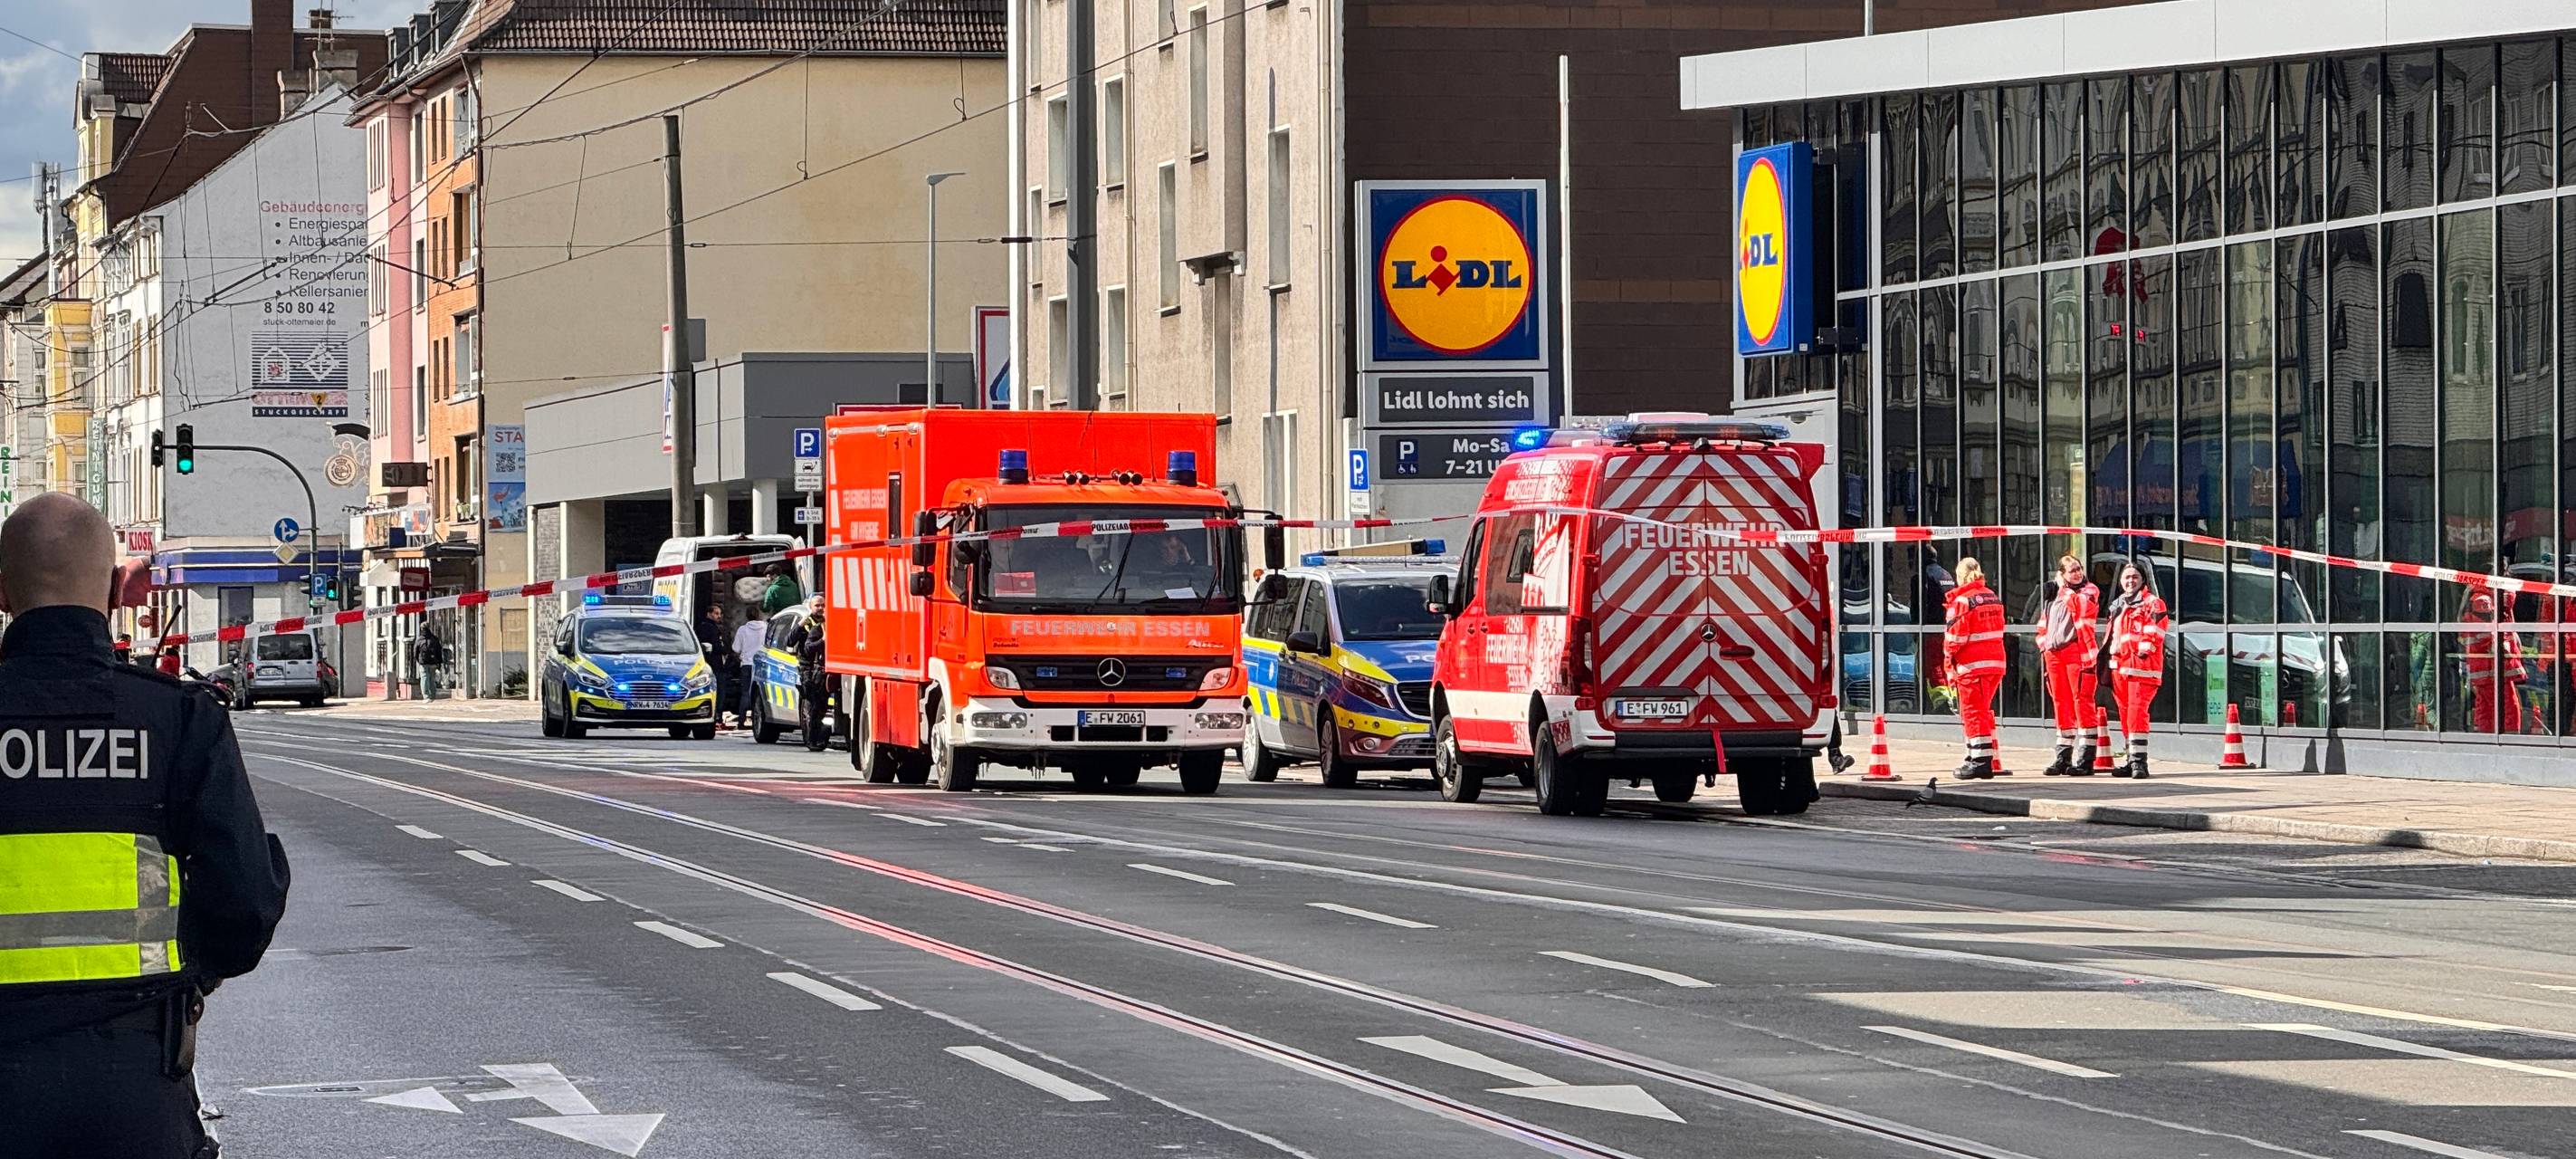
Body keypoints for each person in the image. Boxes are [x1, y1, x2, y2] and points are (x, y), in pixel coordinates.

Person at [0, 493, 291, 1158]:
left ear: (0, 591)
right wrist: (188, 976)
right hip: (132, 1087)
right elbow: (244, 907)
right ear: (113, 589)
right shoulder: (178, 719)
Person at [2037, 552, 2104, 776]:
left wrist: (2063, 589)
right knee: (2061, 703)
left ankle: (2086, 759)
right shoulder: (2055, 595)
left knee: (2082, 701)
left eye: (2078, 569)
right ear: (2062, 574)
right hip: (2054, 654)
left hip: (2078, 652)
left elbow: (2081, 607)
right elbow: (2043, 622)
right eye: (2072, 570)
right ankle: (2062, 757)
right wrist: (2043, 644)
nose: (2077, 573)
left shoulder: (2089, 591)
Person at [1942, 556, 2007, 781]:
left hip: (1971, 666)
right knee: (1981, 711)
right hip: (1995, 664)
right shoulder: (1992, 597)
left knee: (1972, 713)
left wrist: (1948, 659)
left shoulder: (1963, 601)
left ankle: (1979, 761)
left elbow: (1955, 638)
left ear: (1959, 576)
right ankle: (1976, 756)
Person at [2102, 562, 2169, 779]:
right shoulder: (2118, 605)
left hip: (2141, 670)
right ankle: (2131, 760)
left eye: (2135, 577)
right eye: (2126, 577)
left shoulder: (2153, 604)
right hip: (2120, 671)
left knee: (2136, 715)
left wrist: (2142, 652)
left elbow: (2154, 633)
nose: (2130, 580)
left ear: (2143, 580)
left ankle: (2140, 763)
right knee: (2125, 717)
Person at [2460, 589, 2525, 734]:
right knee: (2508, 705)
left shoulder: (2484, 600)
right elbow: (2486, 634)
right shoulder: (2484, 601)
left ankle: (2485, 739)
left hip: (2487, 666)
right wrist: (2502, 648)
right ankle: (2510, 740)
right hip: (2492, 667)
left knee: (2486, 706)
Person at [785, 595, 832, 752]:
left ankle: (821, 738)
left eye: (823, 605)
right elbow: (790, 641)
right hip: (807, 667)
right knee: (812, 705)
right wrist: (799, 625)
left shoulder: (828, 622)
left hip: (822, 668)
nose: (820, 608)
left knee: (822, 706)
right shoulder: (806, 623)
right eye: (817, 605)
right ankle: (811, 739)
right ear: (811, 607)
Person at [730, 611, 768, 729]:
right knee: (760, 695)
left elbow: (736, 648)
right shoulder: (766, 628)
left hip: (747, 664)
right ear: (759, 616)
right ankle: (758, 722)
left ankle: (741, 722)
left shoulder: (742, 629)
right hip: (762, 665)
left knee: (745, 693)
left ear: (747, 617)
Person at [415, 625, 448, 700]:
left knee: (424, 677)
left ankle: (426, 696)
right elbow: (439, 651)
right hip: (433, 662)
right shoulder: (434, 639)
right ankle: (433, 695)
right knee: (432, 678)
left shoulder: (419, 640)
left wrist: (419, 660)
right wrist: (439, 662)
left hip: (423, 662)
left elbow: (415, 652)